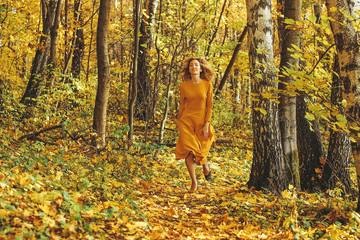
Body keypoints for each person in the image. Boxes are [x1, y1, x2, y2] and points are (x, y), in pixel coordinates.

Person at [175, 57, 216, 192]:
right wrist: (178, 120)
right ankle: (194, 182)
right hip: (186, 121)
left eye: (196, 65)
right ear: (189, 69)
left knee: (201, 149)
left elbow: (209, 106)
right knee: (187, 150)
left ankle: (204, 164)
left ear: (201, 68)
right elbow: (182, 105)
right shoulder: (184, 86)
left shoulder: (207, 84)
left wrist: (207, 124)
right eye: (191, 65)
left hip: (201, 122)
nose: (194, 67)